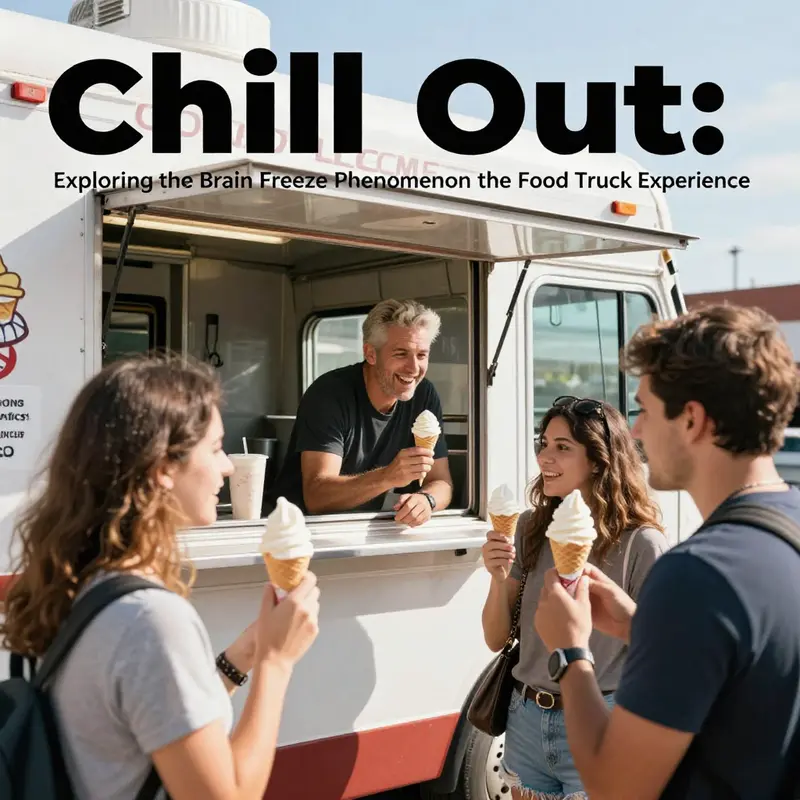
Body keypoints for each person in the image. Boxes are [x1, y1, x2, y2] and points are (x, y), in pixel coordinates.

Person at [0, 355, 320, 800]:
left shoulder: (81, 583)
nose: (228, 467)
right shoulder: (150, 620)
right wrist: (275, 663)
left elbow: (146, 723)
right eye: (215, 448)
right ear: (163, 468)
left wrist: (244, 655)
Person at [534, 304, 800, 800]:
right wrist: (640, 626)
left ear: (692, 420)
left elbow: (615, 788)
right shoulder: (787, 525)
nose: (634, 433)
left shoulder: (696, 575)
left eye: (644, 411)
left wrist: (569, 652)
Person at [481, 396, 668, 799]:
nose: (544, 457)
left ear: (598, 461)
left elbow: (663, 654)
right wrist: (497, 578)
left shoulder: (641, 543)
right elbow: (495, 638)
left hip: (601, 719)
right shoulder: (530, 529)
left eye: (562, 447)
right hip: (526, 718)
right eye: (544, 444)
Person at [267, 298, 453, 526]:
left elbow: (442, 482)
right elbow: (316, 497)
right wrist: (388, 476)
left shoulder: (424, 395)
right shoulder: (329, 394)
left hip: (361, 529)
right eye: (401, 354)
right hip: (295, 530)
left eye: (422, 355)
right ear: (370, 353)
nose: (414, 368)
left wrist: (426, 500)